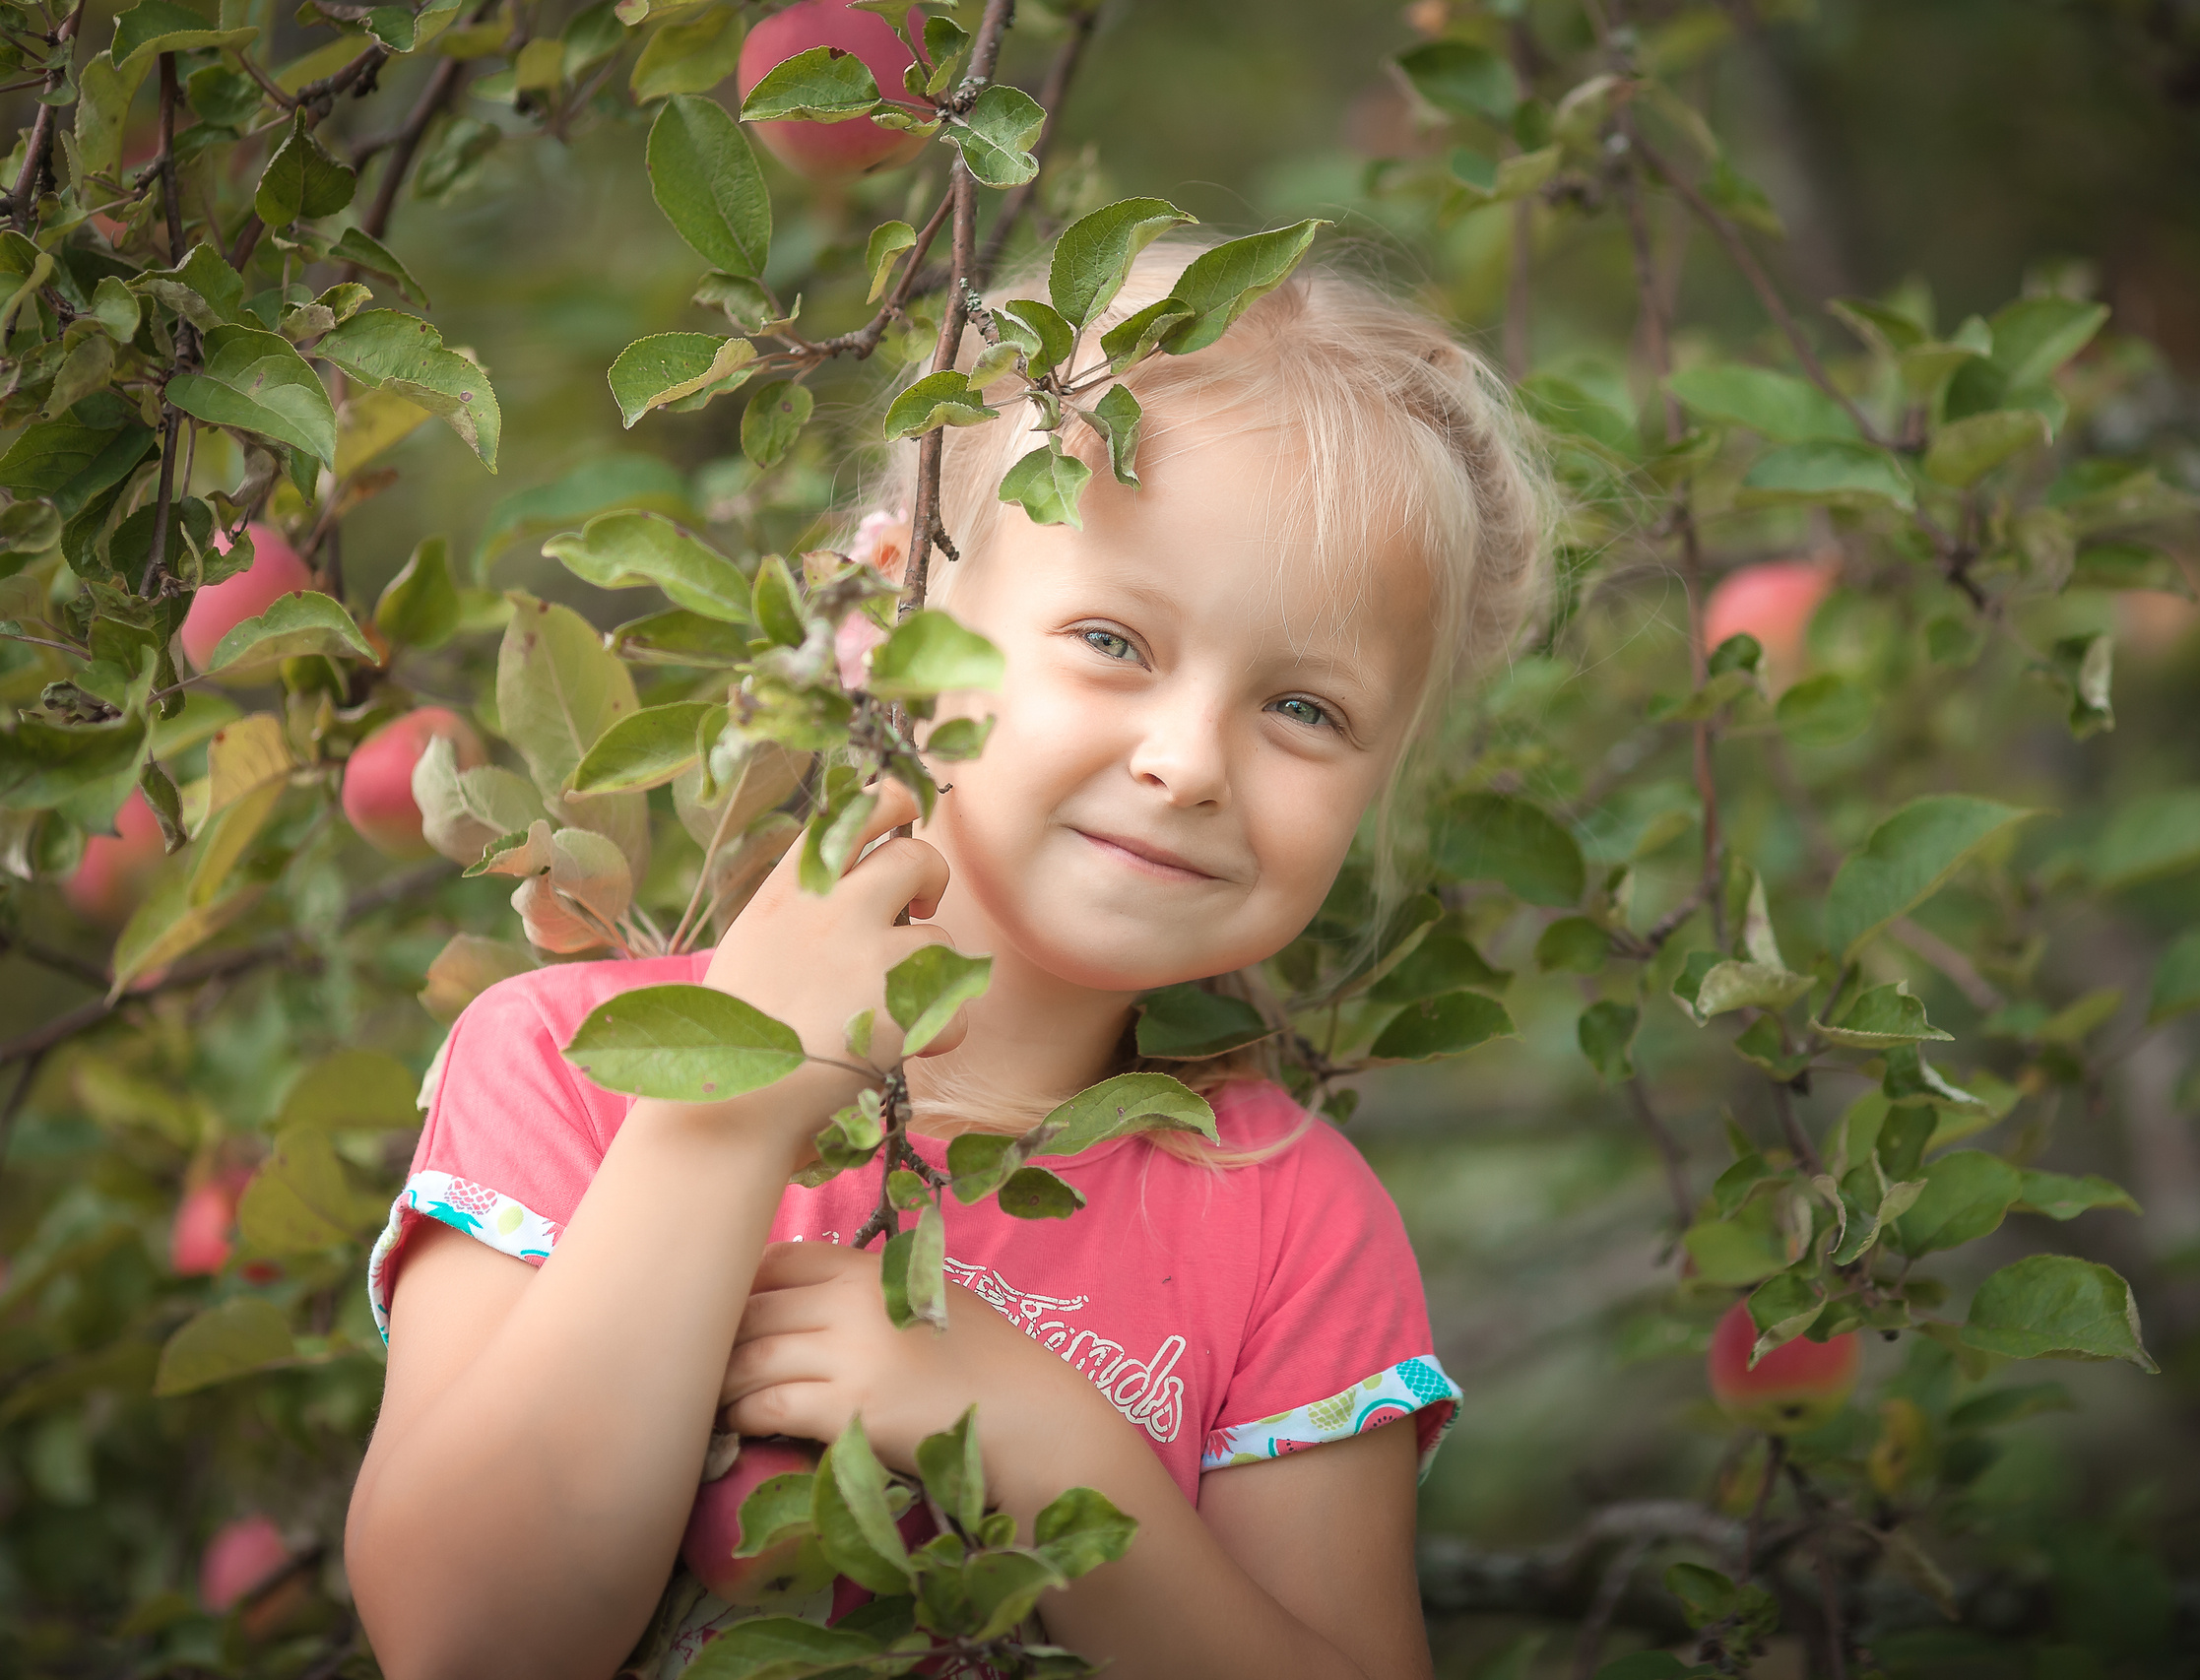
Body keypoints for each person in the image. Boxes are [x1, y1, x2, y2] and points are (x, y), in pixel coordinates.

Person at [342, 241, 1554, 1680]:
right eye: (1112, 638)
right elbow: (466, 1641)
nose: (1186, 762)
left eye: (1304, 706)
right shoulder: (575, 1064)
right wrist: (726, 1110)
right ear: (888, 621)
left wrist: (1036, 1436)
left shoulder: (1293, 1221)